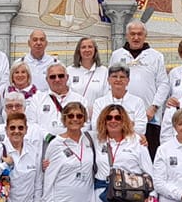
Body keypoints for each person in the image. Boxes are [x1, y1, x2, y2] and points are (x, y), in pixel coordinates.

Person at [41, 101, 98, 202]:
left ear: (84, 118)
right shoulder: (56, 143)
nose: (75, 119)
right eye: (71, 116)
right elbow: (49, 178)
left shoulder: (89, 139)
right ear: (64, 119)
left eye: (79, 116)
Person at [93, 104, 151, 202]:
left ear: (124, 120)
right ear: (104, 120)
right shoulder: (95, 139)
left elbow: (150, 172)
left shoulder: (137, 141)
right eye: (109, 117)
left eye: (118, 117)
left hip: (132, 201)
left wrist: (151, 198)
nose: (113, 121)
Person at [109, 21, 169, 155]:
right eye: (132, 34)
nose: (136, 37)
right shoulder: (117, 55)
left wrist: (154, 107)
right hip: (121, 116)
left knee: (148, 154)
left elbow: (163, 84)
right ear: (127, 36)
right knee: (122, 154)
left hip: (149, 117)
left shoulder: (156, 56)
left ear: (145, 36)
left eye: (139, 34)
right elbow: (111, 83)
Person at [88, 62, 148, 135]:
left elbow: (140, 129)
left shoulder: (138, 102)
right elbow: (96, 127)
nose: (118, 79)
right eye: (114, 76)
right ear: (108, 80)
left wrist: (110, 125)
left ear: (128, 80)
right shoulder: (99, 102)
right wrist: (129, 123)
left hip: (130, 143)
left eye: (122, 77)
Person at [28, 63, 77, 137]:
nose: (57, 79)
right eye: (52, 77)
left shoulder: (79, 100)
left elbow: (85, 125)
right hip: (45, 145)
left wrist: (67, 138)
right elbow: (31, 124)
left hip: (71, 145)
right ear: (47, 79)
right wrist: (48, 137)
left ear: (67, 77)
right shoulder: (37, 99)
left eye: (61, 76)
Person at [68, 37, 109, 105]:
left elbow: (106, 95)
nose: (87, 50)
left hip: (98, 113)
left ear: (95, 50)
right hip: (75, 114)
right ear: (79, 50)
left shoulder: (104, 71)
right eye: (83, 47)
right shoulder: (69, 71)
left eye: (90, 47)